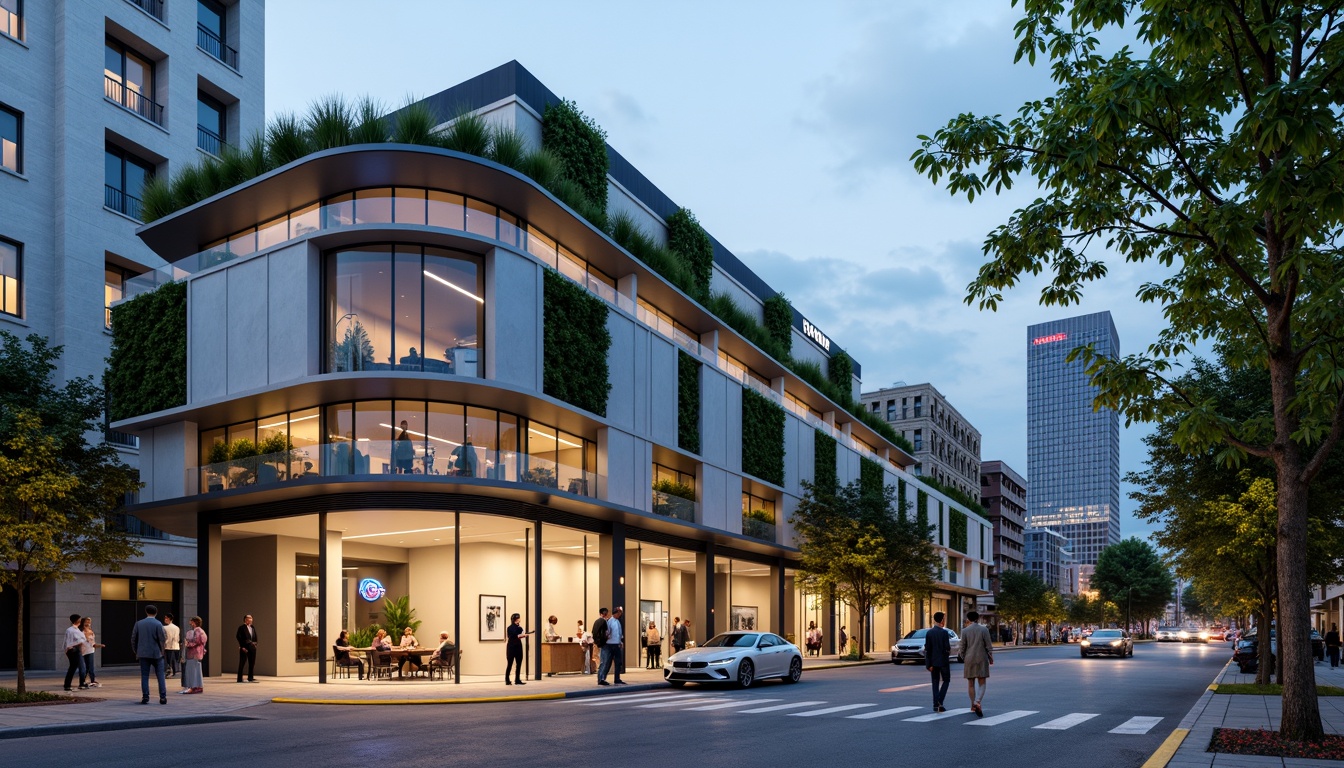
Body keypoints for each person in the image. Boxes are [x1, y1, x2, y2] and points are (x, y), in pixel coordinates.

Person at [132, 604, 168, 704]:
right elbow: (162, 639)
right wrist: (162, 651)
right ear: (156, 612)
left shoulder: (139, 623)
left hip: (143, 653)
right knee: (160, 675)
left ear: (146, 612)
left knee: (144, 675)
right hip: (156, 653)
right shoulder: (158, 624)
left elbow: (133, 639)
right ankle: (163, 697)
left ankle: (145, 697)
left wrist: (137, 651)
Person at [962, 610, 994, 717]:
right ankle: (978, 701)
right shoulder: (984, 629)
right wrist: (990, 656)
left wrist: (964, 657)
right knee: (982, 681)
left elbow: (962, 648)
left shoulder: (965, 631)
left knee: (970, 683)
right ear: (977, 618)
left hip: (969, 658)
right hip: (981, 658)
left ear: (968, 619)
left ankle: (972, 705)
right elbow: (989, 646)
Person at [925, 611, 952, 712]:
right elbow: (947, 647)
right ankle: (939, 700)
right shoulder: (944, 633)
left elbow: (927, 649)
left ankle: (936, 704)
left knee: (935, 682)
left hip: (933, 662)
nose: (944, 621)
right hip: (943, 661)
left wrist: (928, 664)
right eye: (944, 619)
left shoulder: (929, 633)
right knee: (946, 680)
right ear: (941, 620)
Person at [504, 613, 533, 685]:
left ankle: (511, 680)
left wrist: (523, 635)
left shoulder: (516, 628)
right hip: (514, 647)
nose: (520, 619)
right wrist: (523, 635)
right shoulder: (513, 628)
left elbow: (518, 635)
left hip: (514, 647)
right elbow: (514, 636)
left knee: (514, 664)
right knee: (513, 664)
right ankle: (513, 680)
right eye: (519, 618)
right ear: (516, 619)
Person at [62, 613, 88, 692]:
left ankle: (69, 685)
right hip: (74, 649)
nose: (80, 621)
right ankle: (71, 684)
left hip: (77, 649)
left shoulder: (77, 630)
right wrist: (69, 648)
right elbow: (68, 642)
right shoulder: (70, 630)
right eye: (79, 619)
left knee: (74, 667)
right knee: (78, 667)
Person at [181, 616, 207, 694]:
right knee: (196, 670)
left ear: (194, 622)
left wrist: (187, 644)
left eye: (191, 621)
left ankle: (195, 687)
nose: (190, 623)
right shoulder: (200, 630)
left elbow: (197, 641)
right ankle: (197, 687)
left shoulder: (197, 630)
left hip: (194, 653)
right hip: (197, 653)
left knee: (193, 671)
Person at [603, 607, 626, 685]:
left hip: (617, 644)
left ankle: (617, 678)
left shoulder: (618, 622)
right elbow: (608, 631)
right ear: (616, 613)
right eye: (619, 613)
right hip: (610, 644)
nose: (620, 615)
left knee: (618, 662)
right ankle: (603, 678)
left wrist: (620, 642)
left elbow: (619, 633)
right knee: (608, 662)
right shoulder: (610, 621)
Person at [79, 617, 104, 689]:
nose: (88, 623)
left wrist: (98, 645)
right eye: (87, 622)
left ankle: (92, 680)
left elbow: (92, 642)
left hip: (90, 650)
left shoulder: (91, 631)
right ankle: (82, 681)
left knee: (90, 666)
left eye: (89, 621)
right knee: (84, 667)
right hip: (83, 650)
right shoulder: (81, 631)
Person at [236, 614, 258, 683]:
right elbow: (238, 637)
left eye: (251, 618)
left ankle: (250, 677)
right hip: (245, 647)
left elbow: (255, 636)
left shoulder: (252, 627)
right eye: (249, 618)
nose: (251, 619)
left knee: (252, 663)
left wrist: (255, 644)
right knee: (242, 663)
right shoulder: (241, 628)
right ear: (246, 619)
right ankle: (239, 679)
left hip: (252, 647)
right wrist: (242, 646)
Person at [592, 608, 611, 685]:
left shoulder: (597, 621)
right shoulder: (603, 621)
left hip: (600, 643)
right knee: (604, 661)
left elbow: (594, 632)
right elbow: (604, 632)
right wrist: (604, 639)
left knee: (603, 661)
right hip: (604, 643)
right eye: (605, 613)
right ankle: (601, 678)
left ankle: (601, 678)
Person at [163, 613, 181, 679]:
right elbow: (178, 638)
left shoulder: (164, 627)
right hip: (176, 646)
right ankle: (174, 672)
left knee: (168, 660)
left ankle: (169, 672)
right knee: (174, 660)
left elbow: (164, 637)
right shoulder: (177, 628)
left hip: (167, 646)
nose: (165, 619)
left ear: (169, 619)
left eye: (166, 618)